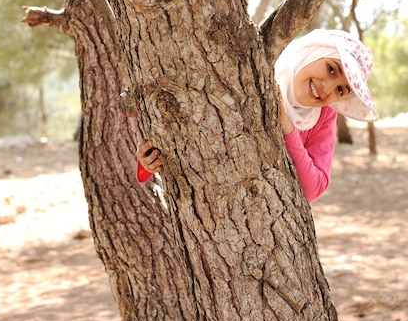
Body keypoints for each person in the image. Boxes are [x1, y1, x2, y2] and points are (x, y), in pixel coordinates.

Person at [135, 28, 378, 203]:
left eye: (341, 90)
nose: (327, 88)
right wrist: (148, 162)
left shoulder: (323, 116)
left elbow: (312, 190)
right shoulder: (254, 71)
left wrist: (287, 130)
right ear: (312, 52)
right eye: (331, 69)